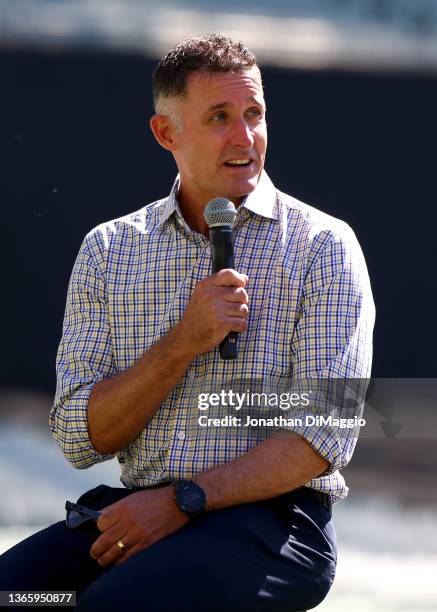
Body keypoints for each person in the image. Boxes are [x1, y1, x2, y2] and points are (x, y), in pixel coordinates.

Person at [0, 34, 375, 611]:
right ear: (166, 134)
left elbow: (320, 437)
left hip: (269, 525)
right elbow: (80, 436)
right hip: (137, 514)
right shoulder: (109, 249)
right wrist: (183, 342)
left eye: (254, 114)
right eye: (220, 117)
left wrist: (183, 501)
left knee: (110, 606)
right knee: (23, 599)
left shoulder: (324, 245)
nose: (245, 137)